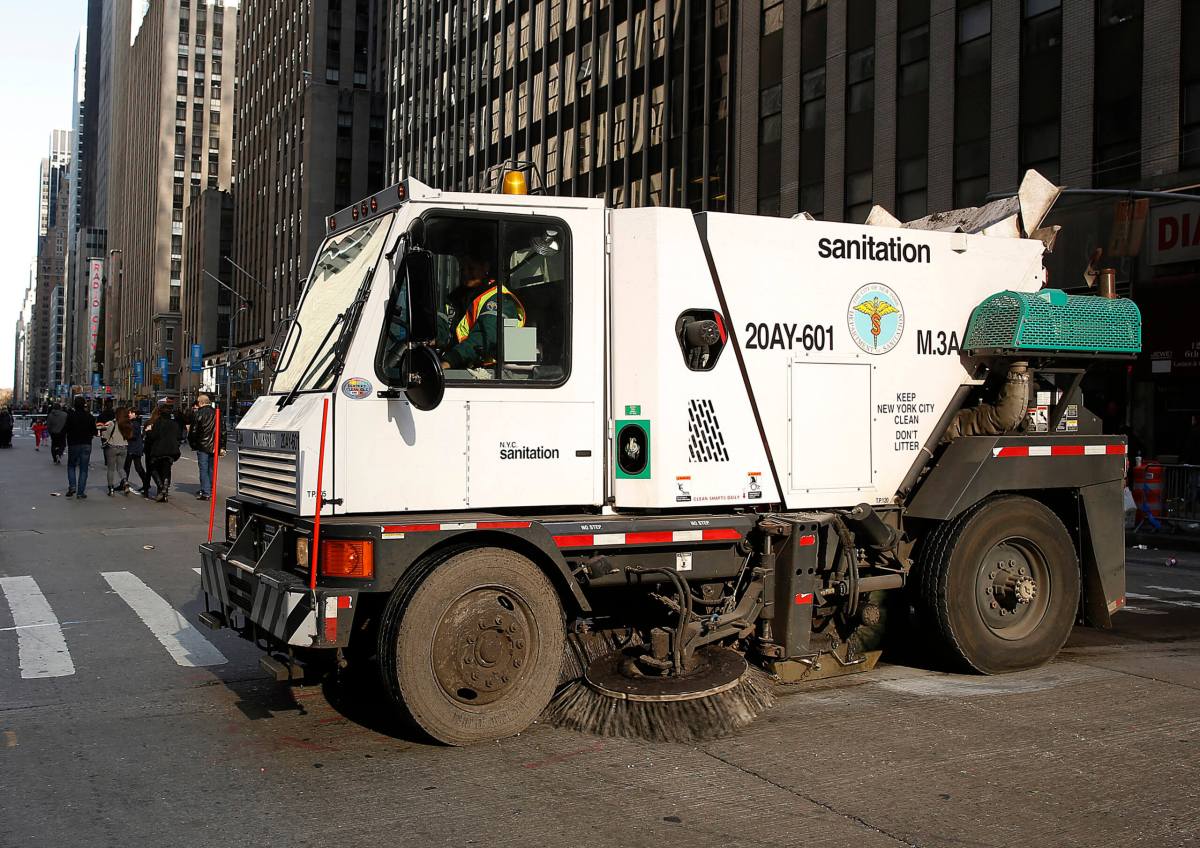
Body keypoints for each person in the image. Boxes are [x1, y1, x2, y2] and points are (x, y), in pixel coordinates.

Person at [439, 253, 526, 372]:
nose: (465, 273)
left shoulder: (499, 299)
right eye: (462, 269)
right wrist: (431, 338)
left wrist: (449, 361)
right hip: (460, 366)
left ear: (485, 267)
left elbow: (484, 337)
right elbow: (443, 324)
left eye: (471, 268)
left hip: (489, 373)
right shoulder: (456, 297)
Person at [188, 394, 226, 501]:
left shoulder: (199, 413)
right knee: (211, 469)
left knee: (203, 469)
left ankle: (206, 492)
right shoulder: (217, 413)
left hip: (202, 445)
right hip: (215, 445)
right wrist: (222, 446)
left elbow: (193, 431)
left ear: (200, 402)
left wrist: (193, 444)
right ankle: (211, 489)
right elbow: (223, 430)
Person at [144, 403, 181, 502]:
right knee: (166, 469)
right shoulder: (175, 424)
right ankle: (165, 487)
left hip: (159, 450)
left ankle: (161, 487)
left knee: (153, 468)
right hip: (172, 451)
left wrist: (148, 431)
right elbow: (179, 437)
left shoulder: (158, 423)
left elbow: (153, 436)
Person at [64, 396, 96, 499]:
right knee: (83, 468)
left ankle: (72, 486)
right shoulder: (90, 417)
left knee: (71, 465)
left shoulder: (70, 416)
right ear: (84, 405)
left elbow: (66, 429)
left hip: (73, 443)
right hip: (86, 443)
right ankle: (80, 492)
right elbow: (94, 431)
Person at [99, 407, 132, 496]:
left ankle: (111, 489)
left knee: (111, 469)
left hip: (112, 447)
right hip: (124, 447)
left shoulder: (111, 423)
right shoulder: (127, 424)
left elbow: (105, 435)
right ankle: (125, 482)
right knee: (121, 468)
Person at [123, 409, 151, 497]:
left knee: (132, 467)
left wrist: (126, 434)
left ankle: (126, 483)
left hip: (133, 447)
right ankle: (145, 484)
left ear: (135, 414)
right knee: (134, 467)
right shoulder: (135, 422)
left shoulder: (134, 423)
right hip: (135, 447)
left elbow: (134, 435)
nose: (129, 414)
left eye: (130, 413)